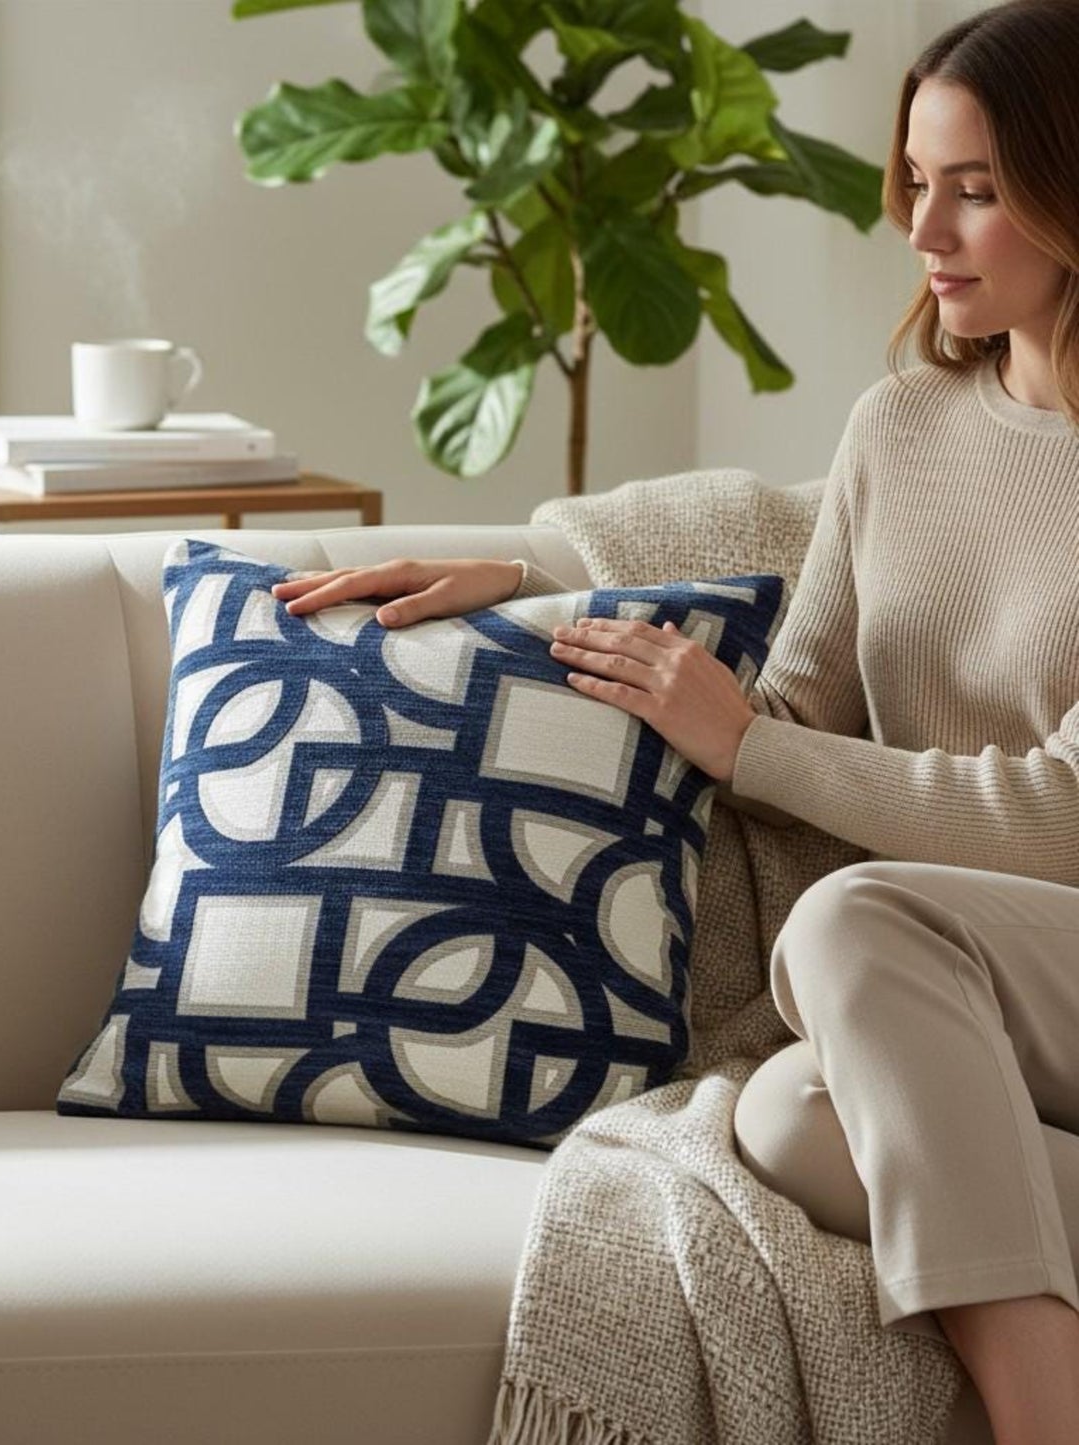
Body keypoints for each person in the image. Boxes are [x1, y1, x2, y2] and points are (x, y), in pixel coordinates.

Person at [269, 2, 1079, 1438]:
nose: (922, 230)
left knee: (844, 925)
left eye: (975, 188)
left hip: (1038, 951)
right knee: (779, 1120)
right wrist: (519, 609)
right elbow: (782, 703)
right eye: (913, 181)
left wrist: (755, 746)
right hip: (961, 1012)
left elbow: (1056, 817)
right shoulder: (898, 431)